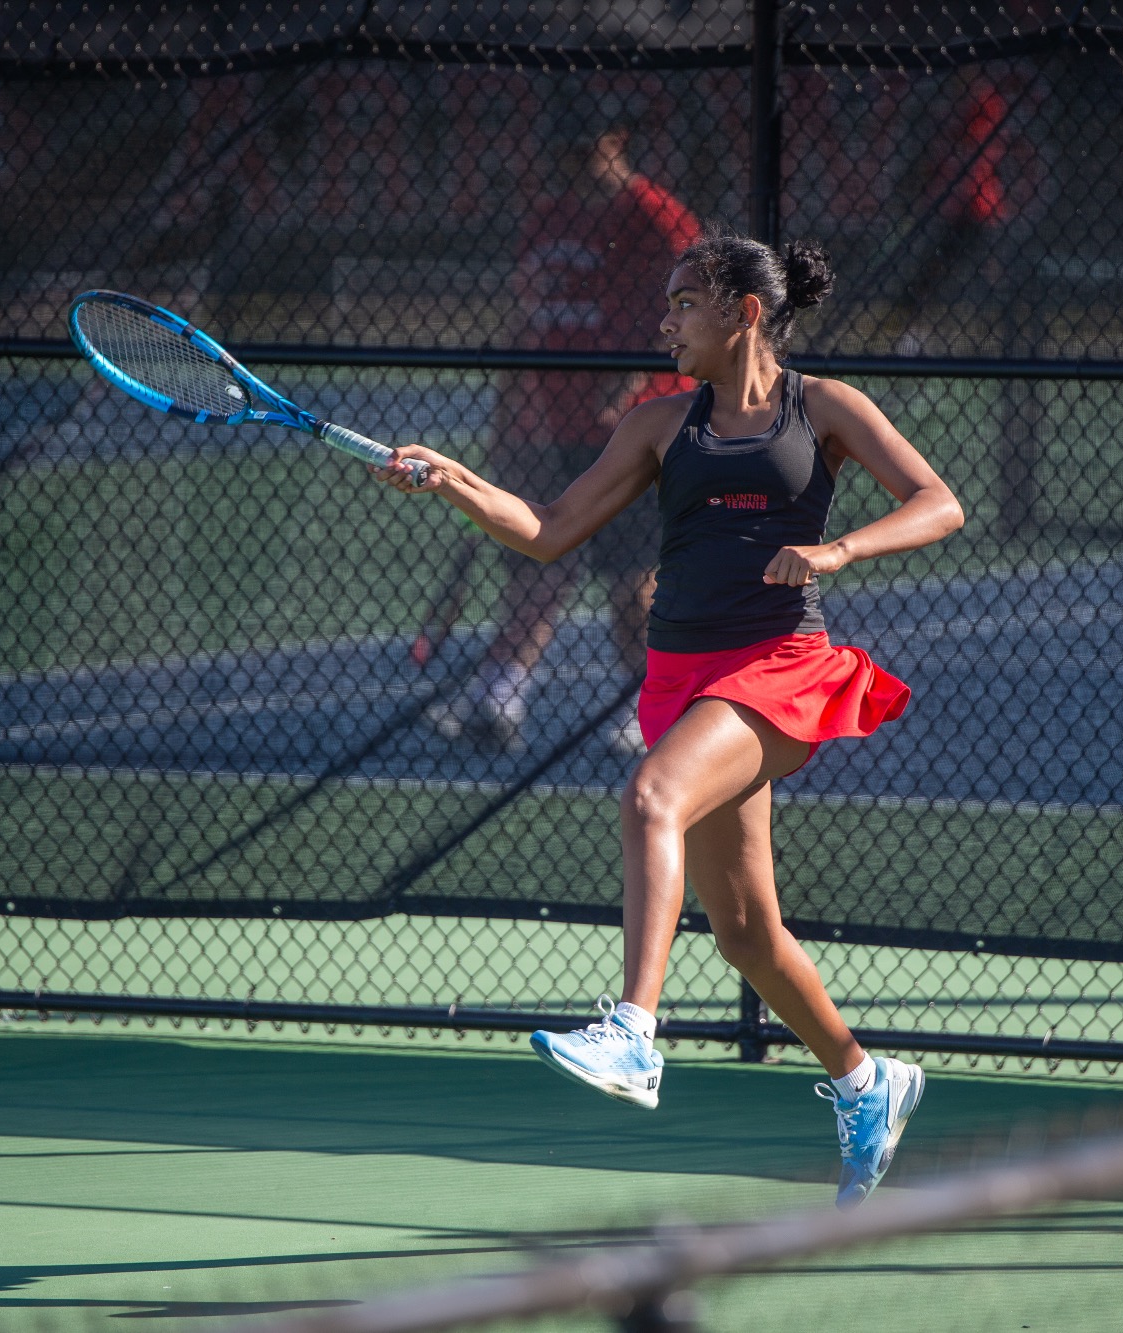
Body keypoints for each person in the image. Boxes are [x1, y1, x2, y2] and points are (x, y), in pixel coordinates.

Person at [372, 229, 966, 1208]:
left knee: (651, 796)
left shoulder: (825, 409)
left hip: (781, 666)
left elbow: (938, 502)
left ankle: (633, 1033)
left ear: (743, 311)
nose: (664, 319)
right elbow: (547, 531)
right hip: (679, 678)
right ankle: (869, 1082)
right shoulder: (657, 425)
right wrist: (452, 479)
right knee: (743, 930)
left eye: (684, 301)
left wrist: (840, 550)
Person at [424, 111, 701, 755]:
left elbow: (683, 315)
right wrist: (510, 413)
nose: (571, 163)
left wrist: (625, 386)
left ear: (618, 141)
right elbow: (528, 318)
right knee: (534, 564)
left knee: (632, 580)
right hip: (549, 425)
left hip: (636, 429)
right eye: (561, 151)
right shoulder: (547, 216)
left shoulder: (658, 219)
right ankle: (499, 700)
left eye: (583, 149)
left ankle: (650, 707)